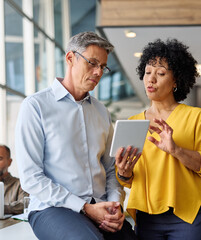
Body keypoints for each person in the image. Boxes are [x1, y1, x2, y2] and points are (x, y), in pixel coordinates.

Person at [15, 31, 137, 240]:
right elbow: (31, 177)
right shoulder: (36, 106)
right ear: (70, 58)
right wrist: (84, 207)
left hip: (98, 205)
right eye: (92, 63)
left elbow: (110, 169)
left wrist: (116, 205)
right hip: (52, 208)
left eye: (103, 67)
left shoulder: (101, 111)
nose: (98, 72)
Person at [115, 38, 201, 240]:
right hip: (146, 217)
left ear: (176, 80)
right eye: (148, 72)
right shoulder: (132, 122)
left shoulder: (196, 117)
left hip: (190, 214)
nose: (151, 79)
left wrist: (177, 150)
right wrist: (124, 174)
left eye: (160, 74)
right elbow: (128, 179)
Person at [0, 144, 28, 215]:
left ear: (9, 162)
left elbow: (24, 205)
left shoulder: (20, 184)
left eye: (0, 159)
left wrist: (2, 208)